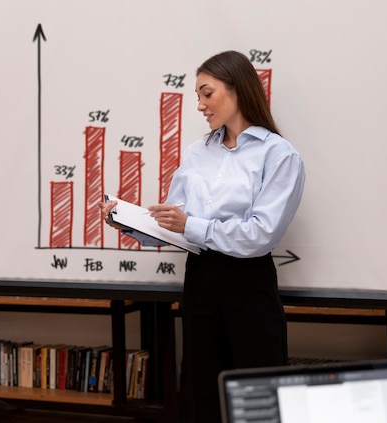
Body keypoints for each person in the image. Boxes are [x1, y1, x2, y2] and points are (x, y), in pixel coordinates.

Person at [99, 50, 305, 422]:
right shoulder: (197, 153)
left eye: (206, 94)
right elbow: (173, 222)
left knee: (258, 395)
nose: (199, 105)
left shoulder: (279, 155)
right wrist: (128, 220)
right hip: (200, 280)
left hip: (249, 282)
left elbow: (260, 234)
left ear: (237, 89)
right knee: (200, 393)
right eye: (197, 96)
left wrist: (189, 224)